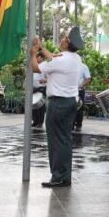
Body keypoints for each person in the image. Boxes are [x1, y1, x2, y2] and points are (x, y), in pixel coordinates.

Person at [32, 27, 84, 188]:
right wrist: (41, 48)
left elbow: (36, 68)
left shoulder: (60, 60)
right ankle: (64, 176)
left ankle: (58, 177)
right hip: (70, 102)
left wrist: (33, 53)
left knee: (56, 141)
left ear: (67, 43)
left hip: (58, 104)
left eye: (64, 38)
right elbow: (53, 57)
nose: (62, 39)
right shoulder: (75, 58)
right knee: (65, 140)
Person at [73, 60, 92, 131]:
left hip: (79, 90)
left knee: (79, 108)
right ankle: (71, 124)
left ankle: (78, 125)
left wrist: (81, 85)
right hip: (70, 91)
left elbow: (88, 79)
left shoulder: (84, 67)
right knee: (70, 107)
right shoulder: (70, 66)